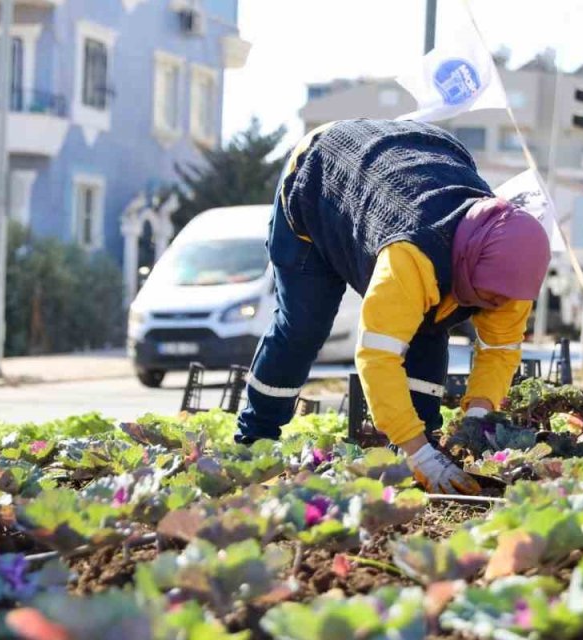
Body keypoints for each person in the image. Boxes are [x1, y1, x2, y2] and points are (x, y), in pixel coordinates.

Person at [234, 119, 551, 495]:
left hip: (422, 154)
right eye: (490, 296)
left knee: (430, 325)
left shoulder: (511, 270)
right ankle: (254, 442)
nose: (496, 306)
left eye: (504, 299)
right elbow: (377, 357)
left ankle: (418, 446)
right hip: (320, 175)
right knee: (304, 326)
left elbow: (499, 351)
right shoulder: (411, 257)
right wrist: (417, 451)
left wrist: (478, 419)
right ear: (469, 264)